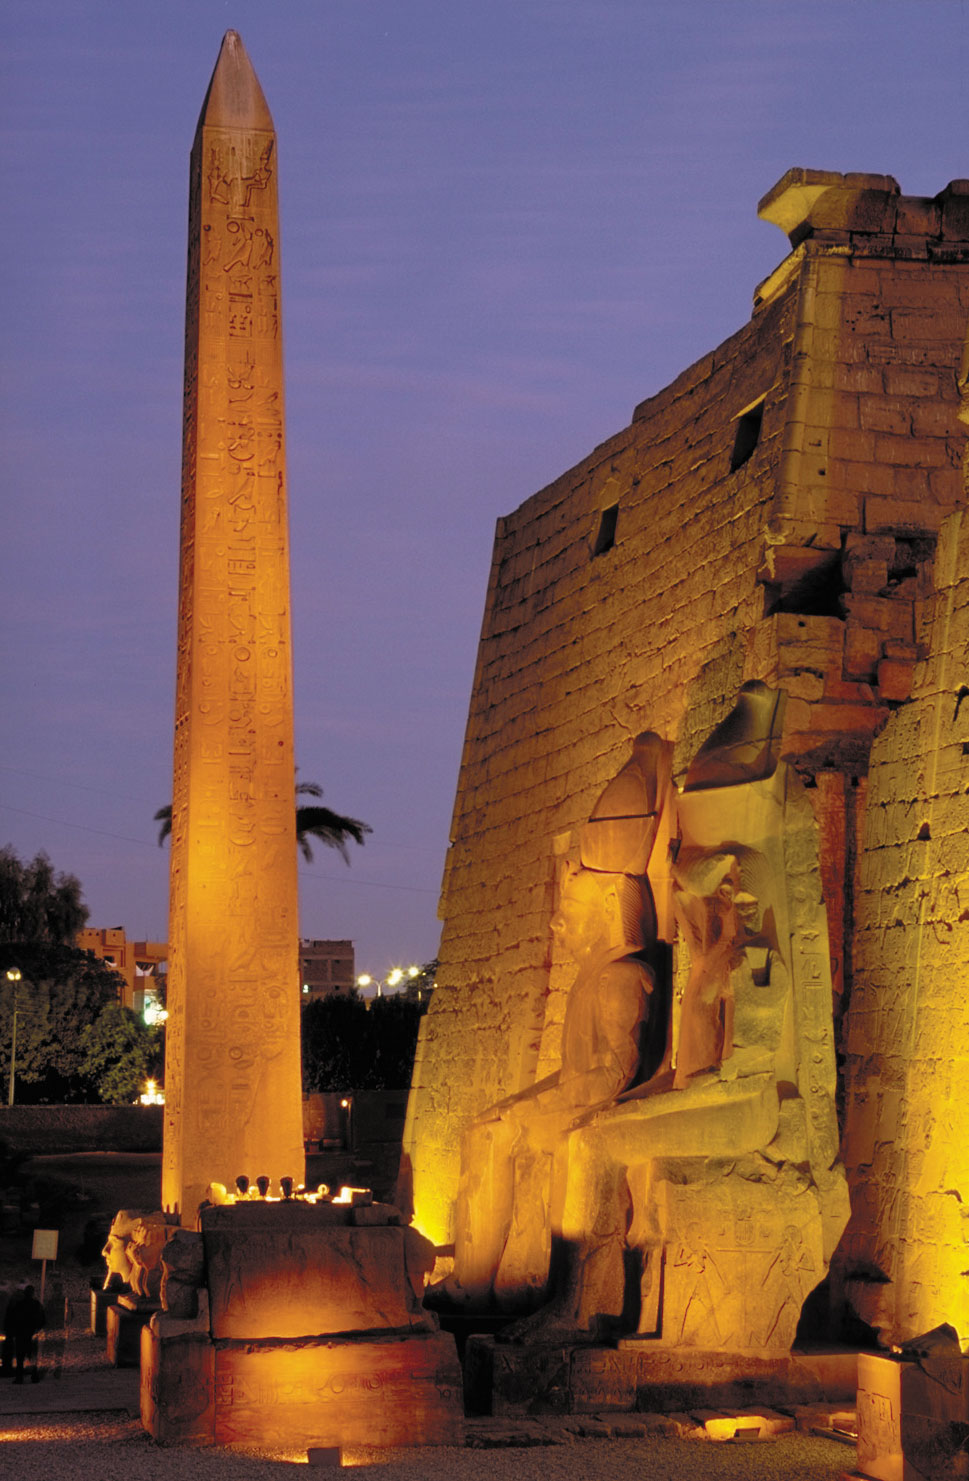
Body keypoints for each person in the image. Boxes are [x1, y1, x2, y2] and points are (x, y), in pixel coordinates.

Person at [8, 1284, 45, 1383]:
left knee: (20, 1357)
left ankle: (19, 1377)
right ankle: (34, 1376)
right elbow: (42, 1318)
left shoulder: (19, 1305)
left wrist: (14, 1331)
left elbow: (13, 1318)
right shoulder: (36, 1304)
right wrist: (38, 1329)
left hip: (21, 1334)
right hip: (32, 1334)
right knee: (32, 1356)